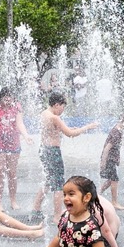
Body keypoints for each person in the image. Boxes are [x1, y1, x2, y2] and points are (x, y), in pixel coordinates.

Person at [31, 92, 98, 222]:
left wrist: (66, 128)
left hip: (44, 150)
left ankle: (36, 209)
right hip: (53, 152)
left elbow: (53, 130)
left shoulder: (44, 114)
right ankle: (56, 217)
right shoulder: (55, 118)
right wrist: (87, 127)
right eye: (62, 107)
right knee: (58, 185)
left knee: (47, 182)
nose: (62, 110)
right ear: (56, 104)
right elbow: (70, 134)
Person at [99, 116, 124, 210]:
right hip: (109, 159)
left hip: (111, 159)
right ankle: (114, 202)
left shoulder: (117, 130)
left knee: (110, 180)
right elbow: (107, 147)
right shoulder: (116, 133)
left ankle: (96, 194)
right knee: (114, 179)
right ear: (123, 122)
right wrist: (103, 162)